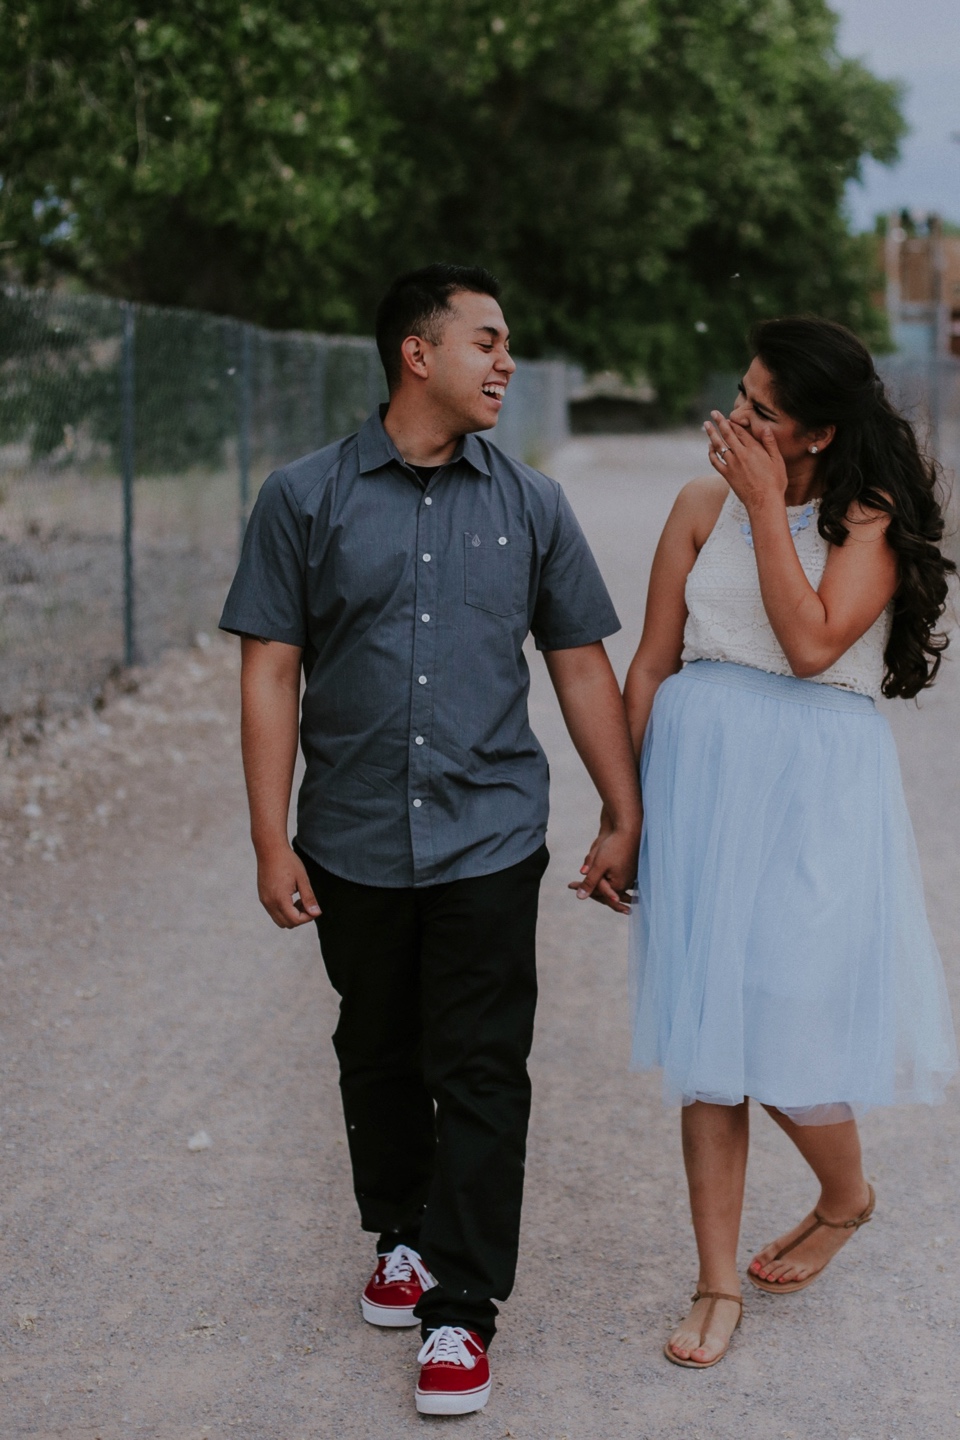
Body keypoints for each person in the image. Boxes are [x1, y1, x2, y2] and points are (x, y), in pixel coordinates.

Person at [219, 264, 641, 1415]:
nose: (507, 363)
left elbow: (580, 664)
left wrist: (624, 807)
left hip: (490, 836)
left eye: (508, 345)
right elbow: (269, 669)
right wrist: (271, 839)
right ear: (418, 354)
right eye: (487, 342)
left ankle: (461, 1312)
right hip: (352, 836)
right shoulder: (301, 499)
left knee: (483, 1067)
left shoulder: (533, 506)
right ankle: (399, 1235)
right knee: (381, 1046)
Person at [610, 315, 957, 1369]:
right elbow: (650, 668)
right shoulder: (694, 506)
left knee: (787, 1028)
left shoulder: (868, 519)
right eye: (741, 392)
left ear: (812, 432)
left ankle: (845, 1194)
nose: (735, 418)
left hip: (813, 800)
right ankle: (716, 1281)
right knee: (711, 1043)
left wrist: (768, 510)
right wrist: (626, 817)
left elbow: (810, 645)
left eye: (762, 409)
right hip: (702, 795)